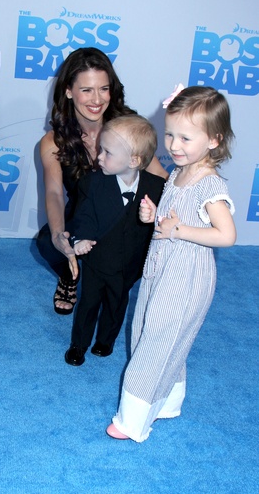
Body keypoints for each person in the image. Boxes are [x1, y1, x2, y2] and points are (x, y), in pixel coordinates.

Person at [106, 85, 236, 442]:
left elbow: (226, 235)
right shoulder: (178, 172)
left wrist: (179, 230)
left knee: (157, 343)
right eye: (169, 134)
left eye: (185, 138)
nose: (174, 145)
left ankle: (132, 420)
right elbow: (173, 218)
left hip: (187, 276)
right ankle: (168, 402)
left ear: (214, 140)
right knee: (151, 333)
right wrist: (155, 217)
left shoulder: (210, 185)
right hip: (161, 269)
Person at [37, 47, 167, 315]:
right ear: (68, 91)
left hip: (126, 214)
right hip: (85, 215)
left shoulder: (127, 127)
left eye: (104, 89)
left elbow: (160, 178)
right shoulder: (53, 141)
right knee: (48, 241)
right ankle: (70, 275)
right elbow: (54, 193)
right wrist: (59, 236)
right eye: (86, 90)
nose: (97, 99)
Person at [64, 115, 165, 366]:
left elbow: (167, 221)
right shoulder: (92, 182)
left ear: (134, 160)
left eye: (107, 152)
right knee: (89, 304)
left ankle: (105, 341)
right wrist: (80, 239)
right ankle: (79, 344)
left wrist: (155, 218)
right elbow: (83, 215)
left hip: (129, 265)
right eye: (101, 149)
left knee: (117, 304)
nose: (99, 157)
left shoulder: (157, 187)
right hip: (98, 260)